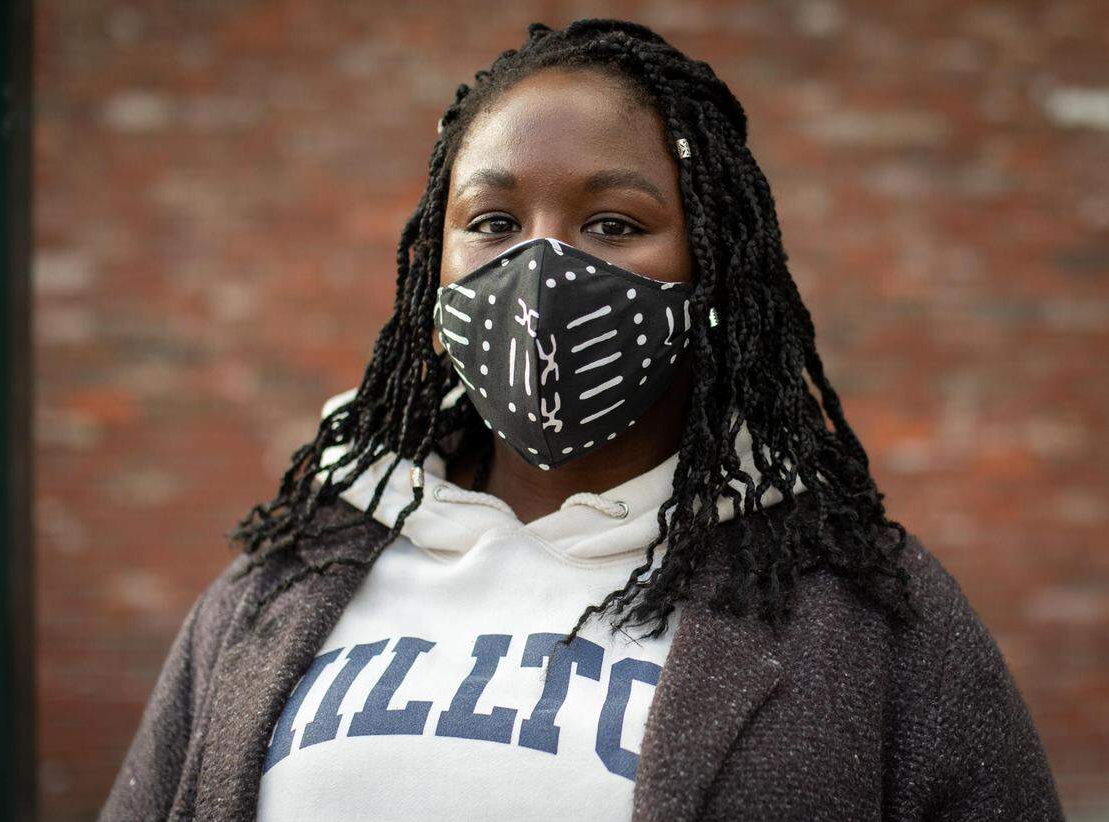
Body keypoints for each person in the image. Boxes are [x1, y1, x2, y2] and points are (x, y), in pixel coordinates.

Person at [99, 19, 1064, 822]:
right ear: (430, 276)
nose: (541, 274)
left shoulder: (864, 606)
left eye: (612, 224)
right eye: (492, 222)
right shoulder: (276, 588)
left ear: (712, 269)